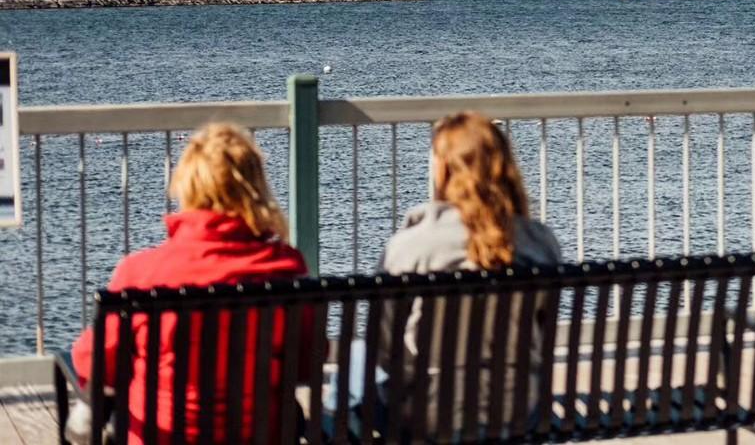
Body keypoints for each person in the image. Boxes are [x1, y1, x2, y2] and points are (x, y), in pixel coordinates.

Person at [68, 123, 313, 444]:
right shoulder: (286, 269)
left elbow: (94, 363)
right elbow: (307, 364)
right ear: (256, 188)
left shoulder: (140, 273)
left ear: (189, 187)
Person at [336, 111, 561, 436]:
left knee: (355, 362)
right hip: (514, 409)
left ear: (441, 171)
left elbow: (383, 351)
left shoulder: (408, 248)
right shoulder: (540, 243)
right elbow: (543, 337)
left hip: (425, 412)